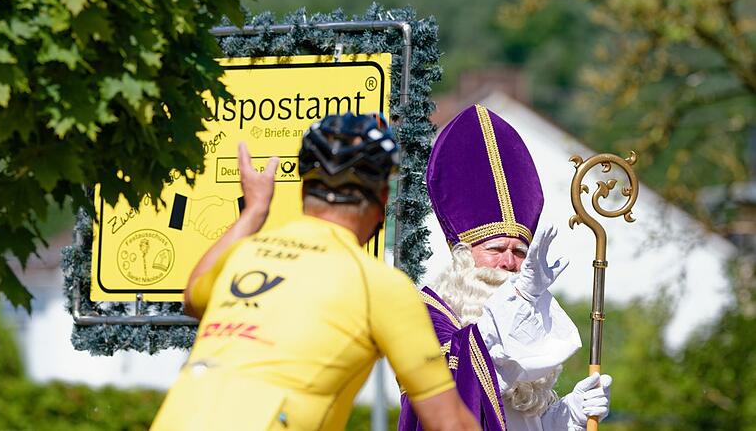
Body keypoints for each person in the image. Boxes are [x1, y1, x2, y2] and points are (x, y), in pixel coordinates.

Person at [151, 113, 479, 431]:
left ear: (302, 191)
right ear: (382, 198)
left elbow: (194, 295)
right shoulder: (378, 285)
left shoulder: (248, 254)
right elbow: (448, 423)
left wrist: (254, 211)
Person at [399, 104, 612, 431]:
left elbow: (524, 422)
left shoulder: (524, 316)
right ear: (462, 255)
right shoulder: (426, 316)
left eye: (520, 251)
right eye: (496, 248)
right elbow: (456, 393)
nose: (509, 263)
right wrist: (523, 300)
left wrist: (569, 415)